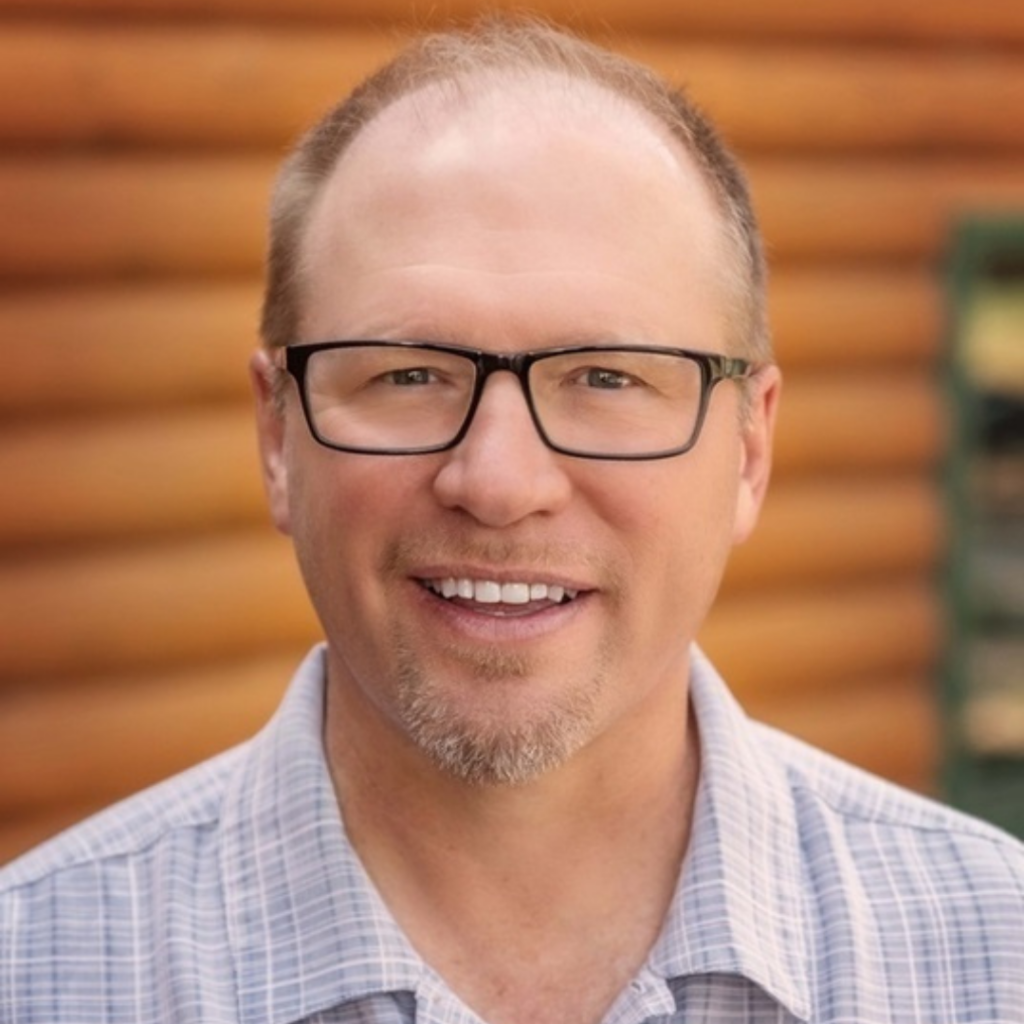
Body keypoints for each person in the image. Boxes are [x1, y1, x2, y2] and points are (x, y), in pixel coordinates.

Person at [1, 17, 1022, 1024]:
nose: (496, 481)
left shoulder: (994, 951)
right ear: (278, 437)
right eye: (409, 374)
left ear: (748, 450)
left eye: (606, 377)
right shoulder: (34, 973)